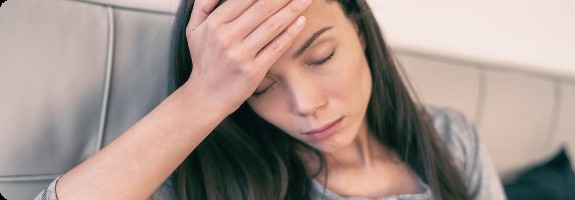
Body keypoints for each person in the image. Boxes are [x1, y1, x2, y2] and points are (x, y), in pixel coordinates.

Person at [36, 0, 506, 199]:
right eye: (259, 86)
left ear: (360, 30)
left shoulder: (450, 137)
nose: (306, 105)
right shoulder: (233, 178)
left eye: (321, 57)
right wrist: (203, 96)